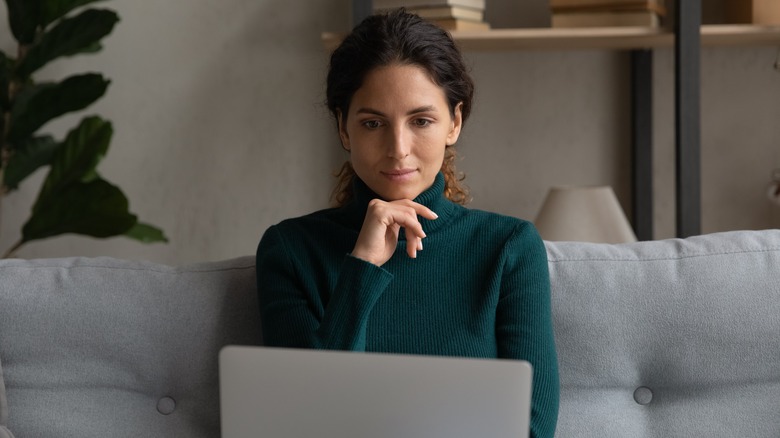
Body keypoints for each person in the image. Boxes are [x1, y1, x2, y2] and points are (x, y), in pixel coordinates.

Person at [256, 9, 559, 437]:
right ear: (343, 129)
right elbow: (305, 421)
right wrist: (361, 268)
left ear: (454, 122)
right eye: (373, 123)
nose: (398, 149)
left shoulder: (508, 247)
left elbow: (533, 428)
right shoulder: (289, 250)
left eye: (421, 120)